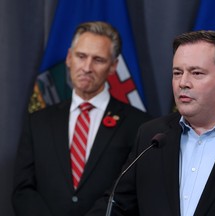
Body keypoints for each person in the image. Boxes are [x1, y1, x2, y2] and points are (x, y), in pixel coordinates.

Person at [91, 30, 215, 216]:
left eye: (196, 73)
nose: (183, 82)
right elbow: (117, 206)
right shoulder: (152, 136)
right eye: (177, 73)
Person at [12, 21, 151, 216]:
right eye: (81, 56)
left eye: (98, 60)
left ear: (113, 66)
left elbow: (133, 193)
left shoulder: (139, 125)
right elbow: (23, 190)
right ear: (69, 58)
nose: (87, 67)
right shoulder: (38, 122)